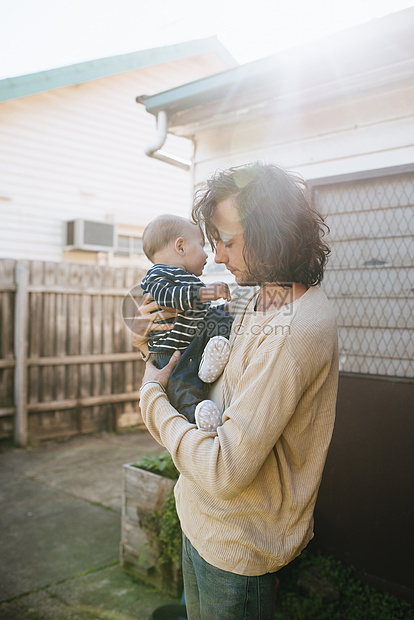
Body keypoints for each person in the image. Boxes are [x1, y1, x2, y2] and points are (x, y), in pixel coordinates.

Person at [133, 162, 339, 620]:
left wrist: (151, 396)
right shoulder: (272, 295)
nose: (218, 256)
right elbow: (219, 387)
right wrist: (160, 344)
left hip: (235, 545)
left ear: (269, 233)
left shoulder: (296, 327)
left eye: (227, 241)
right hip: (200, 520)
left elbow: (225, 468)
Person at [139, 214, 234, 431]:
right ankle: (198, 413)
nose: (207, 255)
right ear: (180, 247)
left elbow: (202, 310)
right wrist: (206, 293)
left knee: (220, 318)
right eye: (201, 245)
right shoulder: (157, 275)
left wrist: (226, 307)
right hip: (172, 350)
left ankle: (210, 358)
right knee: (182, 387)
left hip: (193, 341)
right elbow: (168, 298)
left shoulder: (187, 278)